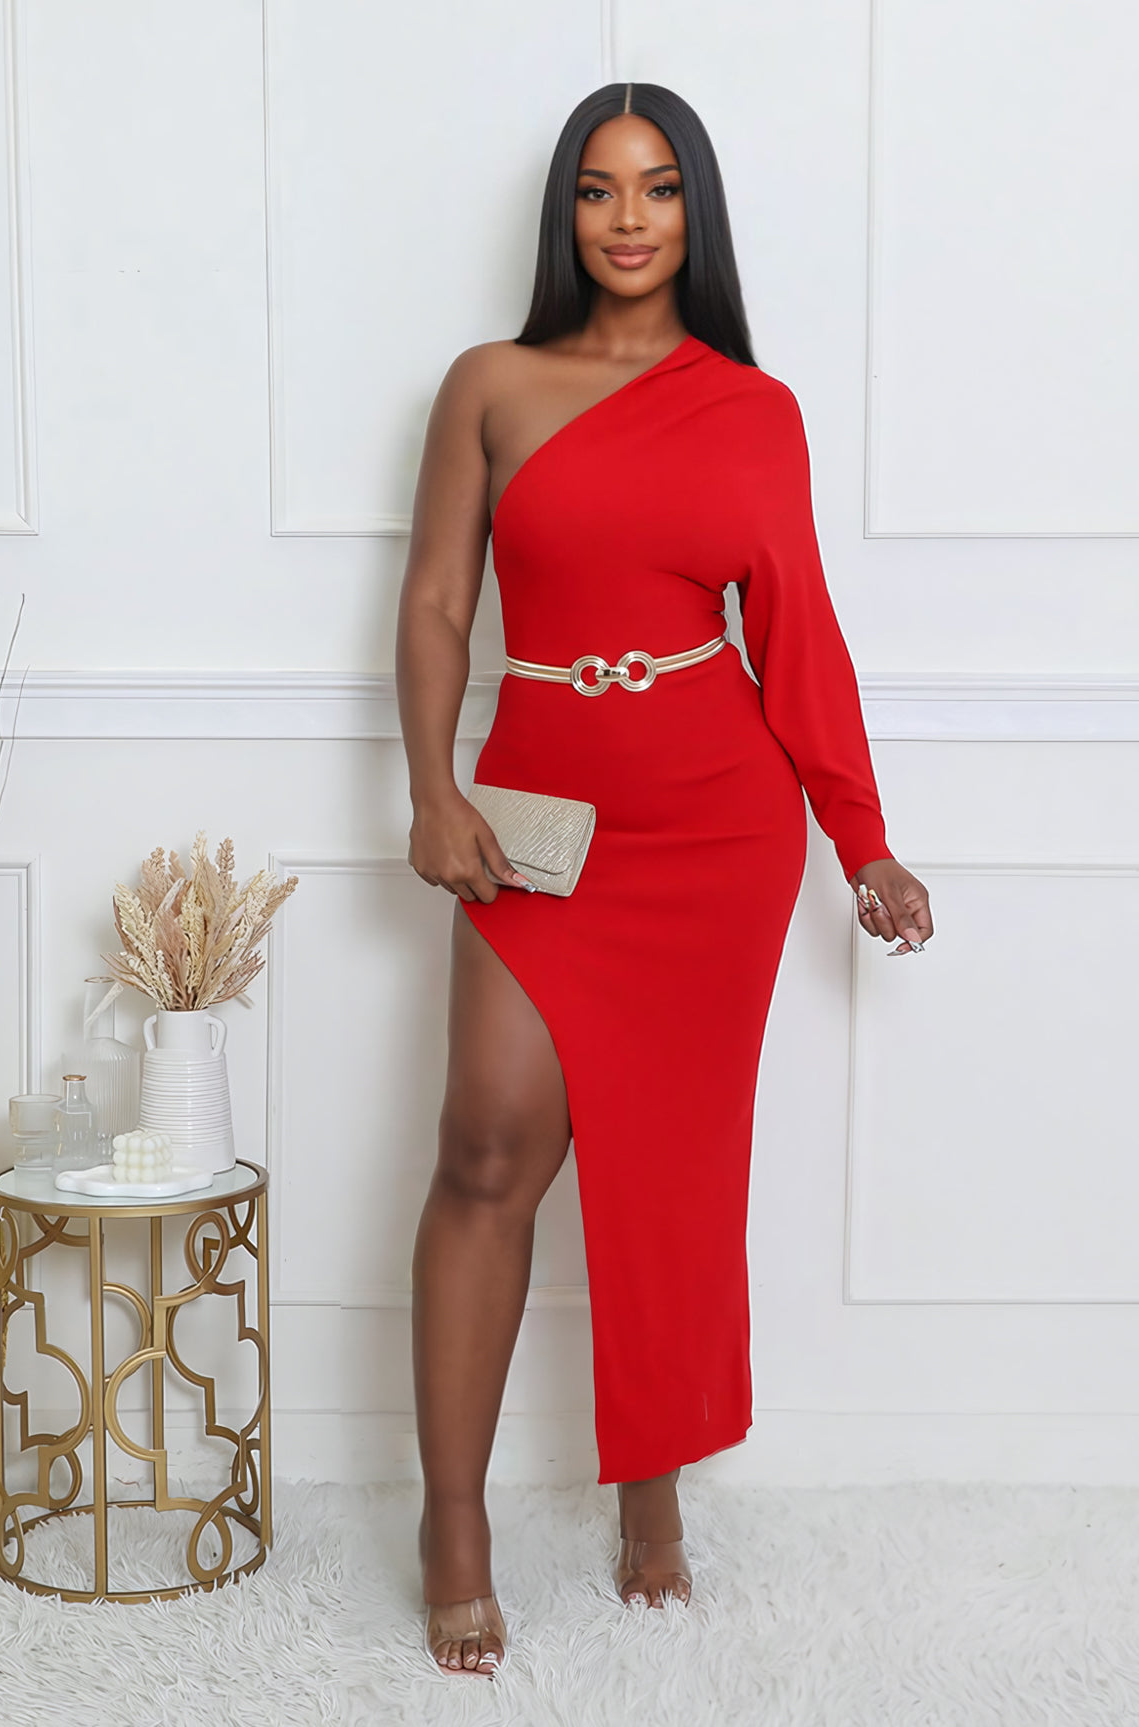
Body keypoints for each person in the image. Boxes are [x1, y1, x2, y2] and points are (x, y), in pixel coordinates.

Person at [395, 80, 934, 1678]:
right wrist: (432, 792)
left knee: (674, 1175)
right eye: (596, 188)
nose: (627, 218)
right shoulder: (491, 385)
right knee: (486, 1148)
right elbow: (437, 604)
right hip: (539, 815)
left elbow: (799, 633)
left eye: (657, 188)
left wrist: (861, 835)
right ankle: (452, 1527)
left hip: (715, 828)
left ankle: (653, 1500)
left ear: (695, 211)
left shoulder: (753, 410)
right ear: (563, 213)